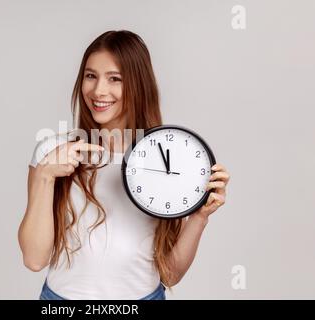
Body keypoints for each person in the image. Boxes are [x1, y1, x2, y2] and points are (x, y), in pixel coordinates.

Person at [18, 30, 230, 300]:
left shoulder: (168, 157)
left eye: (115, 79)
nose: (98, 91)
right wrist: (45, 176)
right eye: (90, 76)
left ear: (138, 84)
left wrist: (199, 216)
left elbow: (170, 274)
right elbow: (34, 259)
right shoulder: (53, 153)